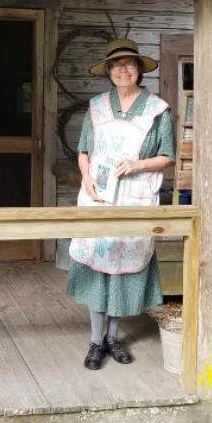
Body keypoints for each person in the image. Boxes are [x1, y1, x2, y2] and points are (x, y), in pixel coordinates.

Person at [68, 38, 175, 370]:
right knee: (98, 264)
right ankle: (95, 341)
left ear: (139, 70)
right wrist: (86, 176)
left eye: (129, 64)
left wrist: (137, 165)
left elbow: (167, 157)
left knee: (122, 267)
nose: (123, 70)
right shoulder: (97, 106)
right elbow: (84, 150)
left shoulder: (158, 110)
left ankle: (114, 338)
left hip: (135, 197)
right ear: (109, 72)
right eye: (116, 65)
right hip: (98, 197)